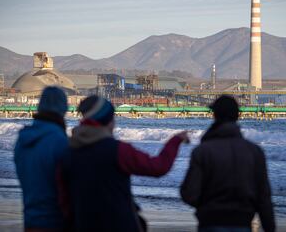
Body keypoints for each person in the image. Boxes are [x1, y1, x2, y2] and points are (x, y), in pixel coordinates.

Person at [64, 95, 189, 232]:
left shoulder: (67, 150)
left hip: (81, 224)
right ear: (109, 121)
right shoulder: (118, 150)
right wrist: (175, 140)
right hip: (119, 223)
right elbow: (158, 167)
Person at [180, 95, 275, 232]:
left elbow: (188, 193)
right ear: (238, 116)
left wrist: (206, 206)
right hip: (242, 223)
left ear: (214, 115)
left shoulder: (202, 151)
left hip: (209, 223)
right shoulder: (254, 152)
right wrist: (269, 228)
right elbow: (264, 198)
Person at [14, 86, 70, 231]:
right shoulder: (59, 141)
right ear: (63, 108)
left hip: (30, 220)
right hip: (55, 222)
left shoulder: (23, 140)